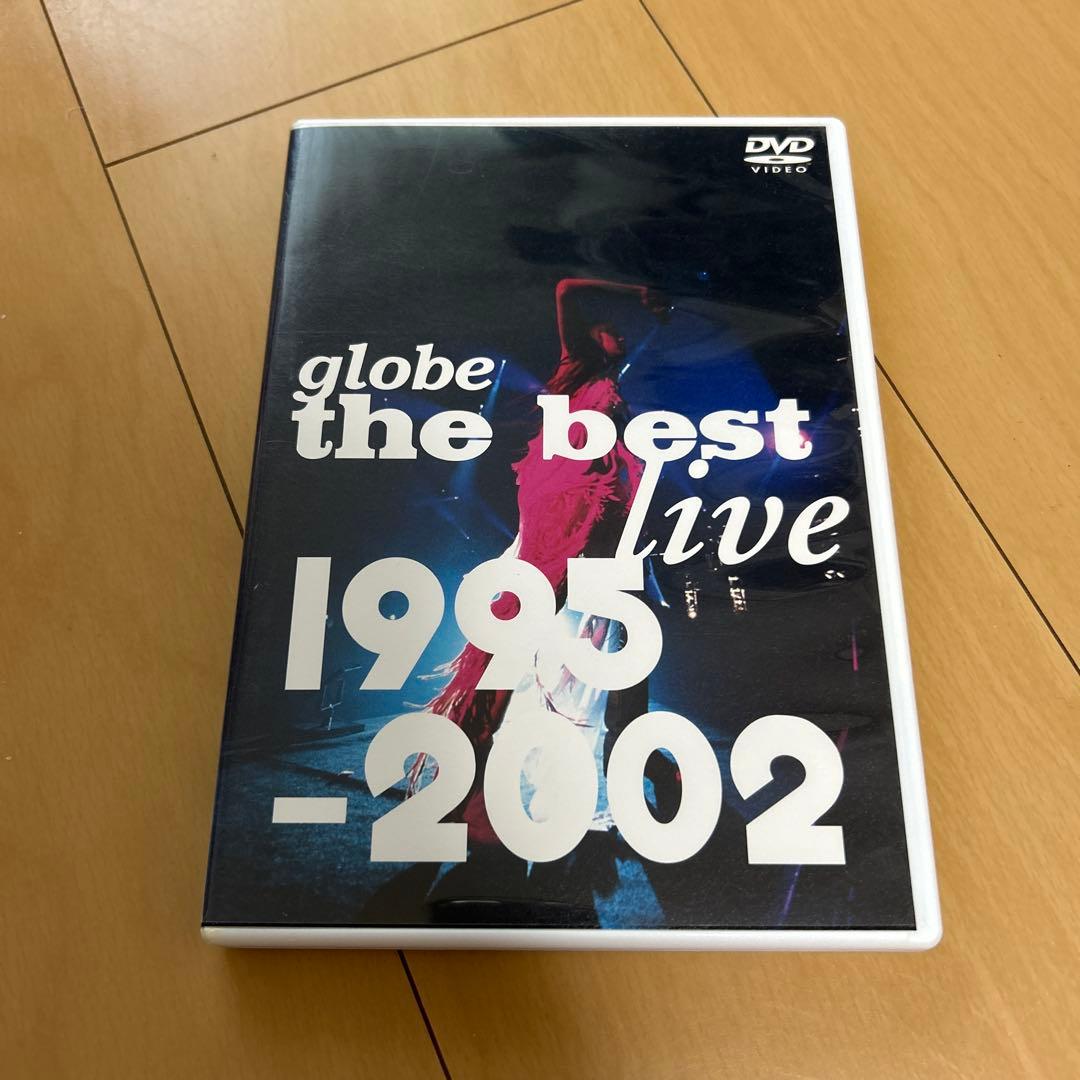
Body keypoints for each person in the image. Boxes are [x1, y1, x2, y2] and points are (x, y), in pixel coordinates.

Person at [418, 278, 671, 842]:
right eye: (612, 329)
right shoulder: (577, 368)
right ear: (593, 335)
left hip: (604, 527)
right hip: (565, 522)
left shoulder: (613, 388)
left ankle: (639, 764)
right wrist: (634, 292)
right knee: (519, 637)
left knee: (628, 644)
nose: (621, 336)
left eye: (622, 333)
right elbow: (566, 290)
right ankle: (466, 771)